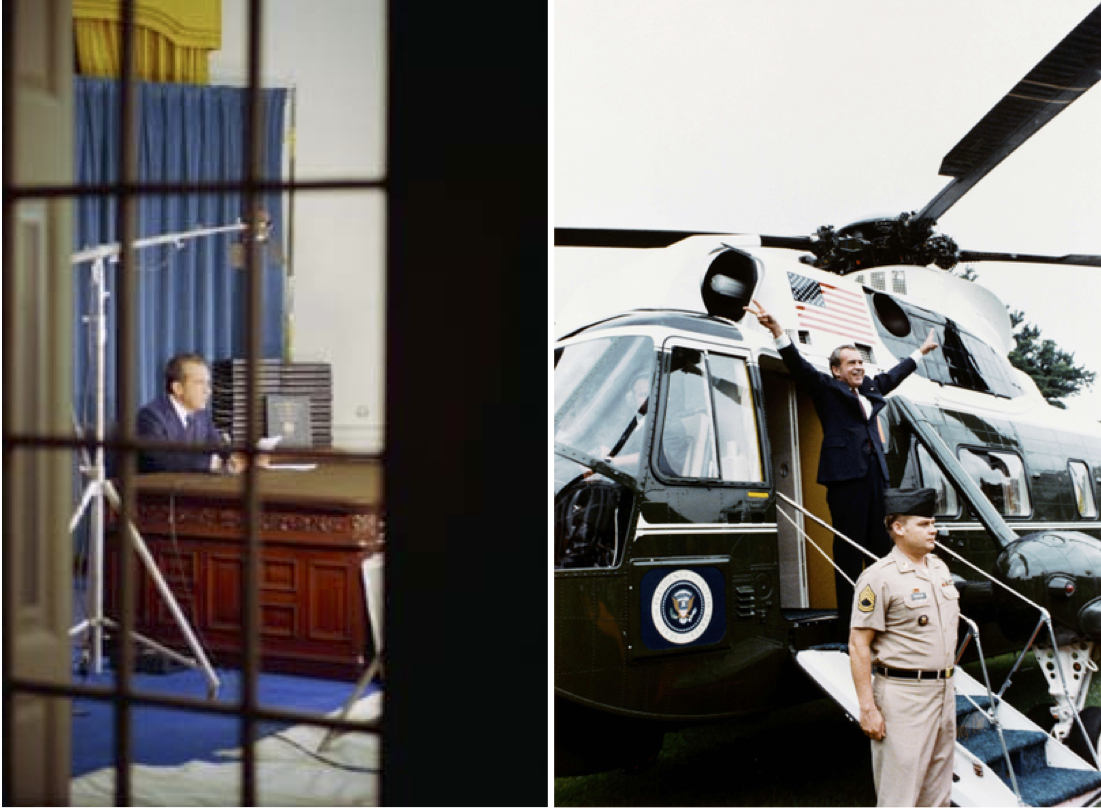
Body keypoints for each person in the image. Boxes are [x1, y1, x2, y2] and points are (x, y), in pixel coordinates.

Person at [744, 299, 938, 623]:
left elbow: (895, 374)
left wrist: (922, 351)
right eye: (851, 363)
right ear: (837, 370)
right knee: (849, 551)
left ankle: (882, 617)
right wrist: (777, 331)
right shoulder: (826, 389)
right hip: (847, 480)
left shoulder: (872, 389)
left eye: (861, 362)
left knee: (880, 550)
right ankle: (851, 624)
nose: (859, 367)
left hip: (877, 479)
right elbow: (798, 366)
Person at [848, 487, 960, 807]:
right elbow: (858, 644)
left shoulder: (938, 567)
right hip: (903, 696)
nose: (933, 529)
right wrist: (868, 708)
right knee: (900, 795)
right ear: (899, 528)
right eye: (924, 524)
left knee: (938, 792)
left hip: (943, 692)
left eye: (933, 523)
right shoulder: (878, 578)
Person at [137, 353, 244, 474]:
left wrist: (243, 456)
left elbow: (219, 447)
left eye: (208, 384)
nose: (208, 391)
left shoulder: (202, 415)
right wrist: (214, 463)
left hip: (194, 488)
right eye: (200, 383)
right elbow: (160, 460)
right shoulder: (151, 416)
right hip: (159, 490)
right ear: (178, 388)